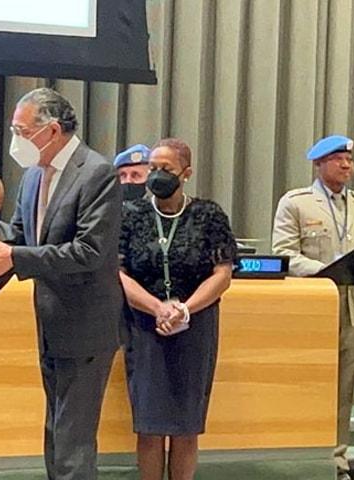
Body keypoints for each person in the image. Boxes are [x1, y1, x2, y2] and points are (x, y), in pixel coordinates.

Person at [0, 87, 123, 479]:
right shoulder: (32, 176)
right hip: (50, 324)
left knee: (73, 443)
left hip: (87, 328)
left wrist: (13, 256)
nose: (16, 140)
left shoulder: (96, 173)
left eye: (22, 131)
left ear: (53, 130)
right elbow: (15, 241)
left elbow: (89, 252)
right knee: (56, 436)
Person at [119, 138, 236, 480]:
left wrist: (184, 310)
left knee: (186, 426)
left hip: (195, 325)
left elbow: (222, 274)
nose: (157, 175)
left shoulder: (208, 215)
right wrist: (157, 307)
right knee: (149, 426)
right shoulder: (131, 215)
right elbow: (116, 273)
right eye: (153, 168)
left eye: (166, 169)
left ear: (186, 173)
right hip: (145, 325)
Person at [272, 135, 354, 480]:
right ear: (318, 164)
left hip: (353, 306)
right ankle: (304, 460)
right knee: (309, 385)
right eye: (337, 159)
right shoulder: (297, 203)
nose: (346, 165)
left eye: (349, 160)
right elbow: (284, 253)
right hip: (313, 306)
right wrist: (326, 270)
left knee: (345, 389)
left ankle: (338, 461)